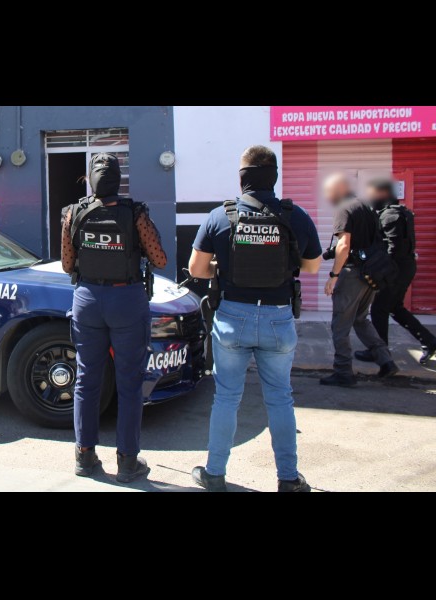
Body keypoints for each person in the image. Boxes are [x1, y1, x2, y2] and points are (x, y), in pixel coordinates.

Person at [188, 145, 322, 492]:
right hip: (278, 319)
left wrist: (223, 266)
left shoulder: (221, 216)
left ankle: (215, 473)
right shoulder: (296, 216)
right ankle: (288, 479)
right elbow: (312, 266)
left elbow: (196, 269)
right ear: (273, 177)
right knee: (280, 398)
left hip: (232, 317)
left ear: (242, 178)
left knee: (226, 398)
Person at [61, 152, 167, 483]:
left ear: (91, 180)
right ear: (118, 180)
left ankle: (84, 456)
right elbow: (160, 260)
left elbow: (67, 264)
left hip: (88, 300)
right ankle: (127, 462)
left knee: (86, 379)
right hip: (126, 302)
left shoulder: (74, 213)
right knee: (130, 383)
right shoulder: (135, 214)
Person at [319, 173, 399, 387]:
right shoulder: (366, 207)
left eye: (329, 191)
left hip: (352, 274)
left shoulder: (344, 209)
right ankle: (386, 360)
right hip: (369, 274)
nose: (327, 196)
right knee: (361, 319)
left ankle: (343, 372)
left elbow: (344, 245)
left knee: (340, 324)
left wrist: (334, 276)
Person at [354, 178, 436, 365]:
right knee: (394, 308)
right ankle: (429, 341)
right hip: (405, 267)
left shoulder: (389, 215)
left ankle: (379, 352)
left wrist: (381, 271)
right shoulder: (402, 212)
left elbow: (393, 249)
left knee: (379, 308)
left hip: (395, 270)